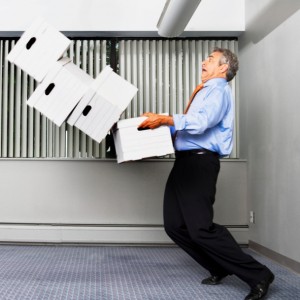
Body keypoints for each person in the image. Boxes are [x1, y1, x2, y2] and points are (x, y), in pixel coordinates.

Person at [138, 48, 274, 300]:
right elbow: (186, 130)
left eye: (209, 59)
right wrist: (153, 125)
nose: (203, 61)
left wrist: (165, 119)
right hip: (184, 163)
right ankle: (218, 266)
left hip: (200, 163)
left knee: (201, 228)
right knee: (175, 226)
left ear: (223, 67)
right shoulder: (206, 91)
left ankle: (259, 274)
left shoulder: (218, 90)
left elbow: (202, 122)